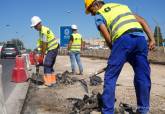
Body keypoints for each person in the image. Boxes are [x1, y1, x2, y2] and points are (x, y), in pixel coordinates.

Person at [84, 0, 156, 114]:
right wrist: (152, 39)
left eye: (91, 10)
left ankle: (107, 111)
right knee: (142, 75)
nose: (92, 14)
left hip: (122, 40)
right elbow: (142, 21)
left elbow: (105, 32)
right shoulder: (122, 7)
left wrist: (114, 50)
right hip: (140, 39)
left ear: (96, 5)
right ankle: (143, 110)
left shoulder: (99, 14)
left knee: (110, 76)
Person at [31, 16, 59, 88]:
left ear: (39, 24)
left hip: (52, 49)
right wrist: (37, 48)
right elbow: (40, 43)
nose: (34, 28)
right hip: (53, 49)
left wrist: (41, 56)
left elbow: (44, 44)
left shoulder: (43, 31)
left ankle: (47, 83)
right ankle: (53, 82)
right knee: (50, 66)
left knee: (46, 64)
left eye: (35, 26)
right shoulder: (42, 31)